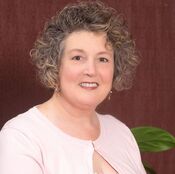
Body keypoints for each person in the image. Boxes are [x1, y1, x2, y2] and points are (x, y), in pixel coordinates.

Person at [0, 1, 146, 174]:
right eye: (77, 57)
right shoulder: (22, 136)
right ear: (54, 64)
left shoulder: (121, 133)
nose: (91, 71)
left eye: (103, 59)